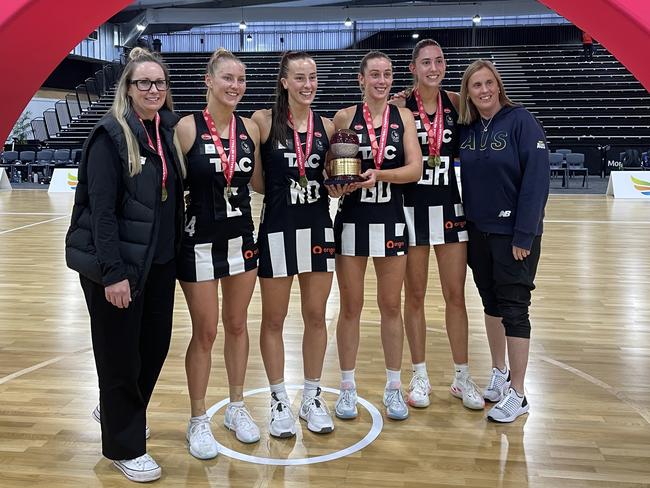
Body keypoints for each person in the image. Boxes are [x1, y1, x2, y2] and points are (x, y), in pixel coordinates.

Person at [65, 47, 185, 482]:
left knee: (153, 348)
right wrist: (113, 274)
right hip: (117, 268)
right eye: (144, 83)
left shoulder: (167, 130)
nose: (153, 89)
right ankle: (124, 446)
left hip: (158, 264)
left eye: (159, 83)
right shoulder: (110, 135)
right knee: (118, 358)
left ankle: (117, 410)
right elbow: (100, 212)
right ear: (129, 88)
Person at [175, 48, 261, 459]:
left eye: (240, 80)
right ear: (207, 81)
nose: (235, 86)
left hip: (241, 240)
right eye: (227, 78)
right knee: (206, 332)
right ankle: (197, 418)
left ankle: (237, 406)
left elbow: (259, 183)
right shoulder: (186, 128)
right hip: (199, 244)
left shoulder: (250, 129)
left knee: (238, 326)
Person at [251, 51, 342, 438]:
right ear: (284, 81)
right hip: (276, 229)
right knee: (274, 319)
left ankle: (312, 396)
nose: (308, 84)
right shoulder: (262, 121)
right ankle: (277, 400)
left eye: (313, 77)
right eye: (300, 78)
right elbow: (255, 180)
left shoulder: (326, 125)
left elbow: (331, 175)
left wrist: (336, 184)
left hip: (319, 228)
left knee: (316, 316)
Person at [390, 39, 483, 411]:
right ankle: (421, 374)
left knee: (455, 296)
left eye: (439, 61)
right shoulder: (400, 107)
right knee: (413, 296)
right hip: (410, 209)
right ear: (414, 68)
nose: (434, 67)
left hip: (449, 207)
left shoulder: (457, 104)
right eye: (426, 62)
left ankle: (462, 376)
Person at [458, 59, 549, 423]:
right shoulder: (467, 128)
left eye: (488, 83)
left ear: (498, 86)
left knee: (514, 308)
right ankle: (499, 372)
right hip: (478, 233)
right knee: (491, 303)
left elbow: (537, 181)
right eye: (475, 85)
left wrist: (524, 233)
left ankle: (520, 393)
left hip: (514, 235)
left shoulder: (521, 121)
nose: (483, 90)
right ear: (468, 92)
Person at [332, 51, 422, 421]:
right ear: (361, 79)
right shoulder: (343, 117)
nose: (381, 80)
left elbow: (415, 169)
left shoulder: (404, 116)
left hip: (390, 219)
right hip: (352, 220)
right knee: (351, 307)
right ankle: (347, 388)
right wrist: (338, 186)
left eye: (386, 74)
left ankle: (393, 387)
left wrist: (379, 175)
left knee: (391, 307)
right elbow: (334, 171)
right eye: (374, 74)